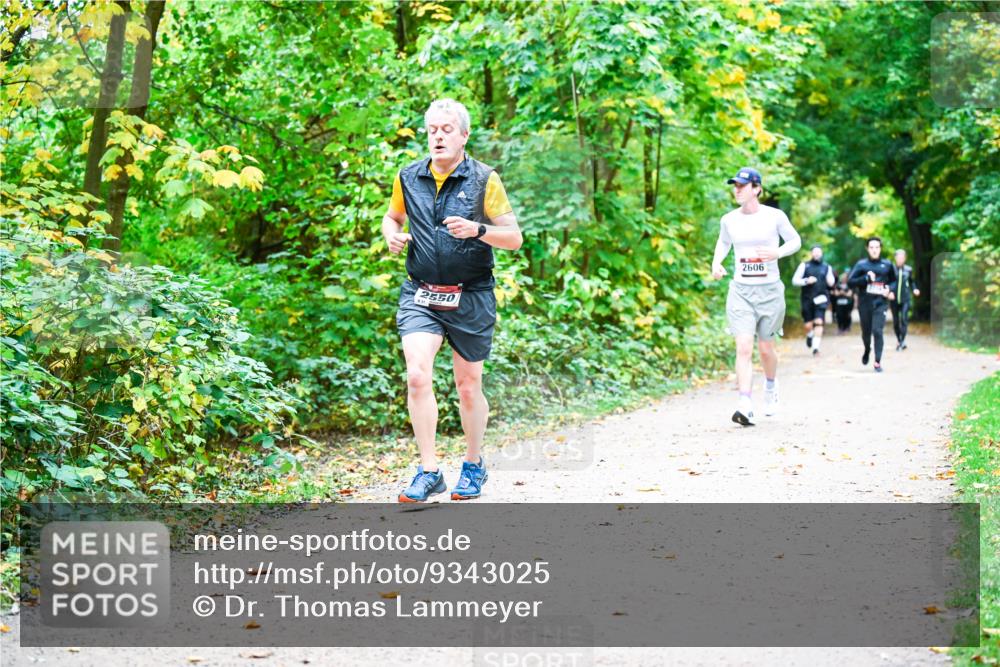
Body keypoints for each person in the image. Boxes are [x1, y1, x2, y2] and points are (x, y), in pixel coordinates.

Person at [381, 99, 523, 502]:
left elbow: (514, 238)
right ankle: (429, 472)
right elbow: (392, 217)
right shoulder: (408, 177)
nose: (438, 136)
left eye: (446, 129)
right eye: (432, 130)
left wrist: (477, 230)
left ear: (464, 135)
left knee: (466, 385)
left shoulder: (484, 179)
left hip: (471, 294)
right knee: (417, 375)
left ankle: (474, 465)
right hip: (421, 292)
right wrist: (390, 233)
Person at [711, 167, 801, 426]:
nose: (736, 189)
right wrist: (716, 263)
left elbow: (795, 241)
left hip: (770, 291)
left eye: (742, 185)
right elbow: (724, 243)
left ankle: (771, 387)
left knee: (765, 349)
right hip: (741, 291)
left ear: (757, 188)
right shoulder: (729, 219)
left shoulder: (775, 216)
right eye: (734, 185)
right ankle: (745, 403)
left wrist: (777, 253)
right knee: (743, 347)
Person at [847, 237, 897, 373]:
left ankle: (877, 362)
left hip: (880, 303)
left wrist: (890, 290)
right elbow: (850, 282)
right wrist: (865, 279)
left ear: (880, 249)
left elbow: (894, 281)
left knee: (877, 331)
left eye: (877, 247)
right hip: (865, 303)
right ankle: (867, 349)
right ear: (867, 249)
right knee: (866, 333)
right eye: (871, 247)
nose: (874, 250)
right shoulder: (861, 265)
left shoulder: (887, 264)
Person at [791, 245, 835, 355]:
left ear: (822, 253)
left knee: (819, 322)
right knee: (808, 325)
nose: (816, 254)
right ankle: (810, 335)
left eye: (818, 252)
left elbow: (831, 282)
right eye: (814, 252)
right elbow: (794, 281)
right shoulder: (804, 266)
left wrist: (831, 281)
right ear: (811, 253)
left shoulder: (826, 267)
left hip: (822, 298)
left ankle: (815, 348)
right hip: (807, 299)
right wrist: (806, 281)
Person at [890, 248, 920, 350]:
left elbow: (912, 282)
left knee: (904, 319)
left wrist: (915, 289)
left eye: (902, 257)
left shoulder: (909, 270)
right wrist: (889, 292)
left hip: (905, 298)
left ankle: (902, 341)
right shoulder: (891, 269)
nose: (900, 259)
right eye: (898, 257)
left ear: (905, 258)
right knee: (895, 321)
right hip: (893, 299)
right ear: (895, 258)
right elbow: (887, 282)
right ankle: (898, 339)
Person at [832, 269, 855, 334]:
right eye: (842, 278)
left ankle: (847, 327)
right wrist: (841, 293)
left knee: (847, 315)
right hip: (839, 303)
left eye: (845, 278)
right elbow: (835, 293)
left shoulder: (850, 285)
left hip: (848, 303)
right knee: (839, 315)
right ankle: (840, 328)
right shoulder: (837, 285)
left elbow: (850, 294)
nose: (843, 279)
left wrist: (843, 293)